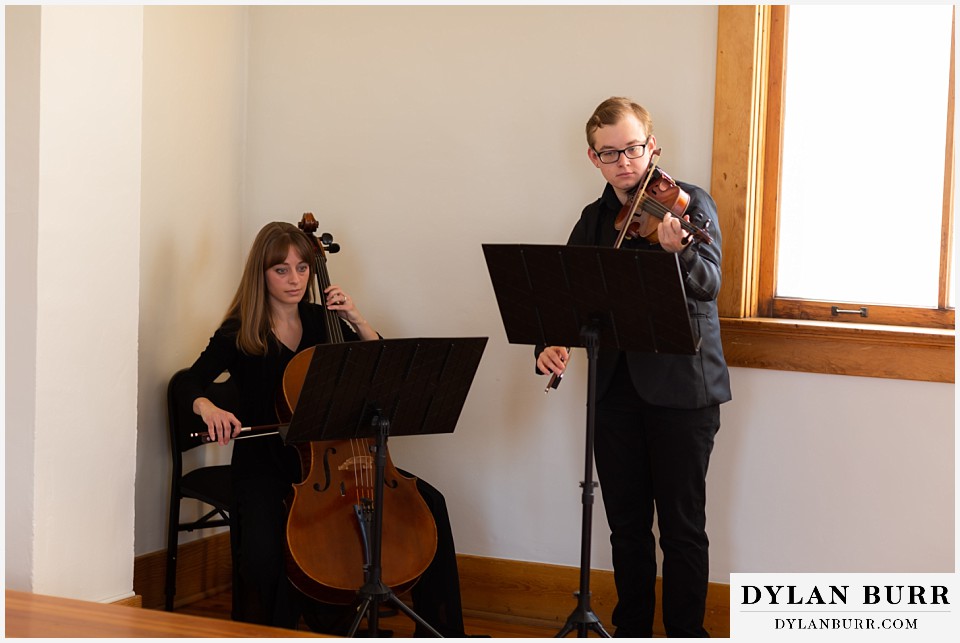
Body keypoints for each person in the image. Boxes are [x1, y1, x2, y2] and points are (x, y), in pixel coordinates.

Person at [180, 221, 468, 636]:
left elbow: (382, 368)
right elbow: (189, 382)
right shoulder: (239, 331)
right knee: (262, 553)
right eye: (281, 270)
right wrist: (207, 406)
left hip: (333, 463)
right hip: (267, 464)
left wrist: (357, 318)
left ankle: (444, 632)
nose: (294, 279)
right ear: (260, 274)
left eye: (302, 268)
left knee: (431, 503)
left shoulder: (322, 321)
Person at [536, 97, 731, 638]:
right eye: (610, 153)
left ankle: (688, 634)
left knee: (682, 529)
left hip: (683, 393)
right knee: (625, 527)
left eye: (633, 149)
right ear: (593, 158)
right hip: (615, 391)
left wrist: (681, 253)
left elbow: (711, 284)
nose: (624, 162)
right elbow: (570, 299)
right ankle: (632, 631)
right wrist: (551, 344)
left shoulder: (688, 205)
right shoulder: (593, 220)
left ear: (653, 148)